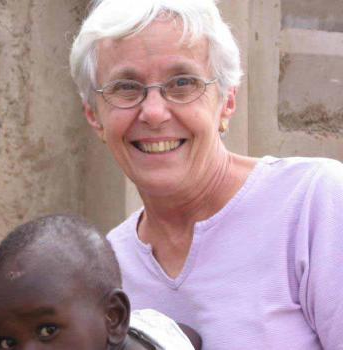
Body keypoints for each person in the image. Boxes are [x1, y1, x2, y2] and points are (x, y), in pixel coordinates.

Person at [69, 0, 343, 349]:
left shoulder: (314, 206)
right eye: (126, 87)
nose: (153, 112)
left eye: (182, 82)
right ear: (94, 115)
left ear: (227, 101)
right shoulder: (107, 269)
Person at [0, 214, 201, 350]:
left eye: (48, 330)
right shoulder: (147, 327)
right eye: (7, 343)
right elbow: (186, 334)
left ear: (113, 318)